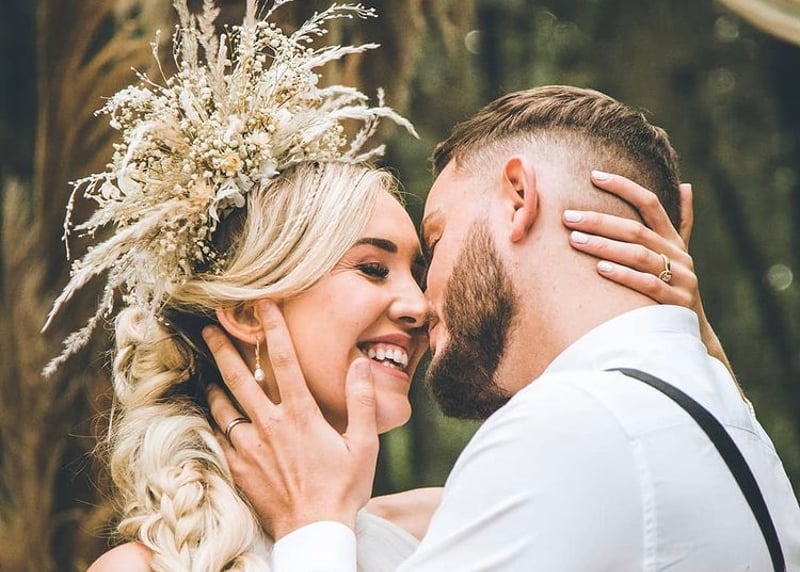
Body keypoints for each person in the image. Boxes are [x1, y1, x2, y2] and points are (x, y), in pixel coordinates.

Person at [39, 2, 706, 570]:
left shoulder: (451, 521)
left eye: (419, 268)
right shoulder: (147, 567)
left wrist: (687, 337)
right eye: (371, 268)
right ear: (245, 310)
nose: (420, 306)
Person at [204, 85, 800, 571]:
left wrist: (311, 527)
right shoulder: (738, 433)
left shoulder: (565, 430)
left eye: (435, 242)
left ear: (519, 197)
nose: (421, 303)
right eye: (372, 269)